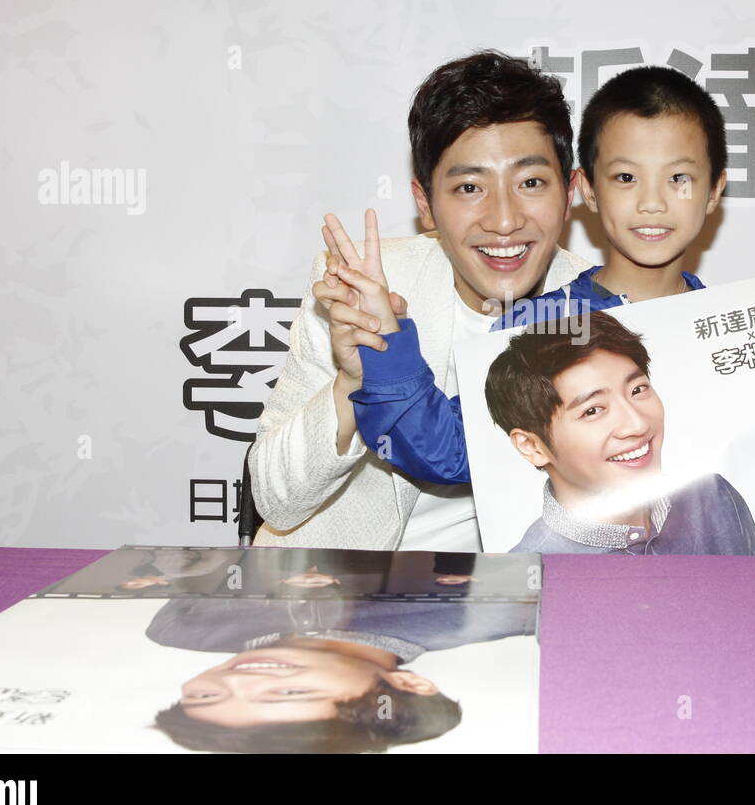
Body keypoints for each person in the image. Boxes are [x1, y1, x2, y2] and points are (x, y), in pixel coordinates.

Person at [330, 64, 755, 493]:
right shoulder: (537, 323)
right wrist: (387, 342)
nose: (652, 203)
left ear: (715, 191)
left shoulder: (732, 328)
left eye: (679, 178)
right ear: (585, 189)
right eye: (626, 177)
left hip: (701, 592)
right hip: (575, 588)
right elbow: (453, 452)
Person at [248, 50, 592, 550]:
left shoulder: (607, 308)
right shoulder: (359, 289)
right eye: (470, 187)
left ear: (572, 191)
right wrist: (354, 381)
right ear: (425, 206)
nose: (503, 220)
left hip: (515, 593)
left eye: (531, 183)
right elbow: (275, 500)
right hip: (339, 592)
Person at [484, 311, 755, 554]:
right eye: (593, 410)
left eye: (637, 390)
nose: (637, 425)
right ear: (531, 446)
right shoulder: (528, 576)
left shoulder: (712, 498)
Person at [146, 592, 536, 752]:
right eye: (290, 695)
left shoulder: (187, 623)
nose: (238, 680)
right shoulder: (501, 610)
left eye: (206, 695)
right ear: (406, 683)